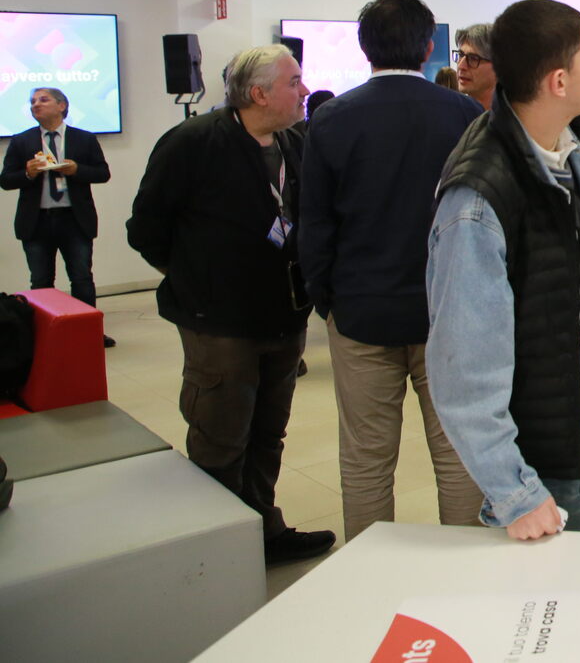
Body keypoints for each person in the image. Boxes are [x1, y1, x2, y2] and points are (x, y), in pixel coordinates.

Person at [427, 0, 580, 539]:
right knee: (565, 588)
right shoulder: (477, 199)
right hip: (538, 444)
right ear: (558, 81)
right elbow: (463, 369)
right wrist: (513, 489)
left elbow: (572, 287)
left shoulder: (574, 157)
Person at [126, 45, 334, 564]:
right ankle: (217, 556)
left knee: (268, 433)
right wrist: (197, 279)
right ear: (259, 93)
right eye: (294, 82)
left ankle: (263, 531)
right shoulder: (193, 143)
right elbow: (146, 229)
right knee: (220, 437)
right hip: (219, 322)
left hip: (284, 314)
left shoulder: (294, 143)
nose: (305, 91)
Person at [298, 0, 484, 542]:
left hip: (360, 311)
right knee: (457, 451)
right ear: (428, 47)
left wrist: (326, 300)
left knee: (366, 457)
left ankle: (368, 571)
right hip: (449, 311)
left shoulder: (331, 118)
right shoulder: (465, 115)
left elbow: (315, 223)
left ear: (364, 49)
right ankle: (468, 566)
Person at [1, 88, 114, 347]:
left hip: (74, 219)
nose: (35, 105)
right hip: (37, 221)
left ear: (62, 106)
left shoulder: (84, 139)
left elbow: (102, 173)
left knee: (82, 278)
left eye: (43, 100)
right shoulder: (21, 141)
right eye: (32, 101)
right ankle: (42, 337)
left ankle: (88, 333)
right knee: (41, 281)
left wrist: (76, 170)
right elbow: (5, 180)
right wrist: (28, 174)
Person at [453, 23, 496, 111]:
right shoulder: (451, 114)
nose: (461, 66)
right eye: (460, 55)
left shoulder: (516, 116)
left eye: (473, 59)